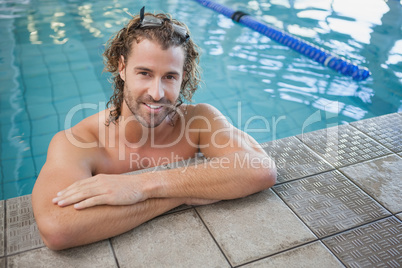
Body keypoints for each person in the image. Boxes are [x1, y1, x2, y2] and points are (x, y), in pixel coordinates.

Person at [31, 7, 276, 251]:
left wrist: (142, 186)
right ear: (122, 68)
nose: (156, 93)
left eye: (169, 77)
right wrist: (184, 194)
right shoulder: (79, 141)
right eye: (145, 73)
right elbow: (57, 228)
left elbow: (260, 169)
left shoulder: (199, 120)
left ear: (183, 77)